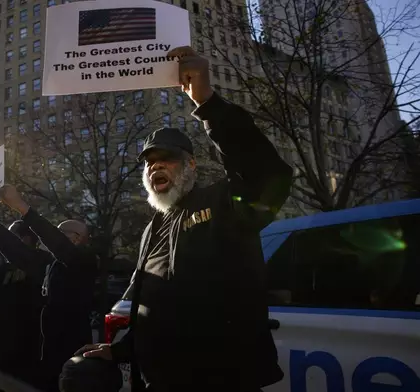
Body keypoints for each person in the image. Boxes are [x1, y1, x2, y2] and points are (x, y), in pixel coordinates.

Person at [75, 46, 293, 392]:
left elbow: (268, 175)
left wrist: (207, 103)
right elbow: (157, 313)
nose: (156, 166)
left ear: (191, 165)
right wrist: (120, 351)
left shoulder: (223, 203)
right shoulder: (152, 229)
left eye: (168, 158)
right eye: (149, 162)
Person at [0, 188, 98, 391]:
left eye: (61, 233)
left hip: (71, 361)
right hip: (42, 359)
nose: (49, 238)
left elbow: (60, 247)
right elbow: (18, 252)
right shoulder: (48, 263)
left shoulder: (86, 261)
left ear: (77, 238)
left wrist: (22, 207)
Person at [0, 211, 52, 383]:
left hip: (27, 351)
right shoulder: (3, 266)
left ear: (27, 239)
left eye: (12, 237)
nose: (5, 244)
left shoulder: (42, 262)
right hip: (0, 348)